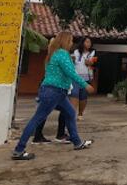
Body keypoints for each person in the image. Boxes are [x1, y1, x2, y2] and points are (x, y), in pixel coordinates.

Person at [12, 31, 95, 160]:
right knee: (37, 119)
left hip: (55, 91)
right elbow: (71, 73)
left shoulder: (53, 54)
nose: (72, 43)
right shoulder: (62, 54)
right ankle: (19, 149)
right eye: (70, 40)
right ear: (65, 41)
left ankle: (77, 142)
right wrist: (85, 85)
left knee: (70, 113)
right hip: (54, 92)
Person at [71, 38, 96, 120]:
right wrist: (72, 59)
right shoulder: (76, 51)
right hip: (75, 77)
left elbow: (91, 62)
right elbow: (73, 61)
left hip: (86, 78)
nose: (89, 44)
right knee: (74, 95)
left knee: (83, 97)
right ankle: (72, 114)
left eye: (90, 42)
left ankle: (80, 113)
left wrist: (89, 62)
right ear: (82, 42)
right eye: (87, 42)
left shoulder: (92, 52)